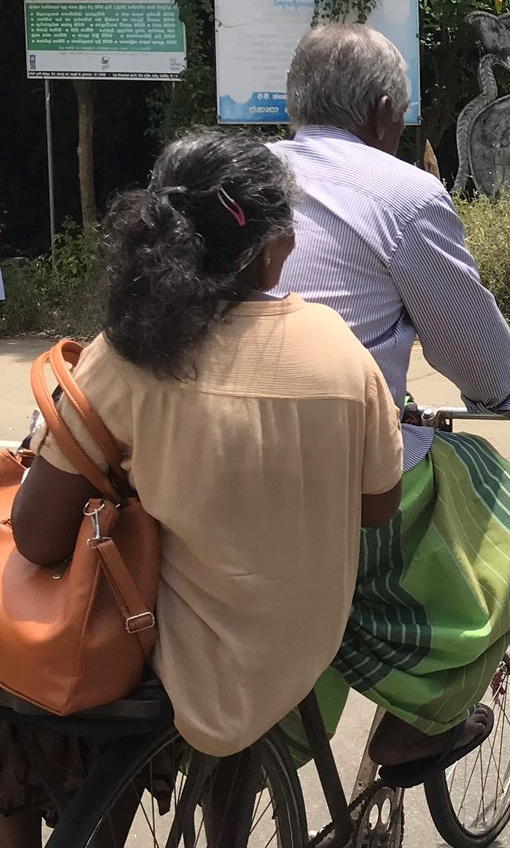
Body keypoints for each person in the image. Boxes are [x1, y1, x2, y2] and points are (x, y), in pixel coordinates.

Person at [0, 131, 404, 843]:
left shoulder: (131, 354)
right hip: (295, 643)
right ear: (274, 247)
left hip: (171, 649)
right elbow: (379, 507)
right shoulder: (339, 348)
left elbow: (37, 536)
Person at [270, 23, 510, 781]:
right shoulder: (401, 194)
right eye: (399, 114)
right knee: (509, 516)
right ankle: (416, 723)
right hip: (345, 474)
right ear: (380, 111)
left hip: (196, 460)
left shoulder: (230, 180)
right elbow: (471, 351)